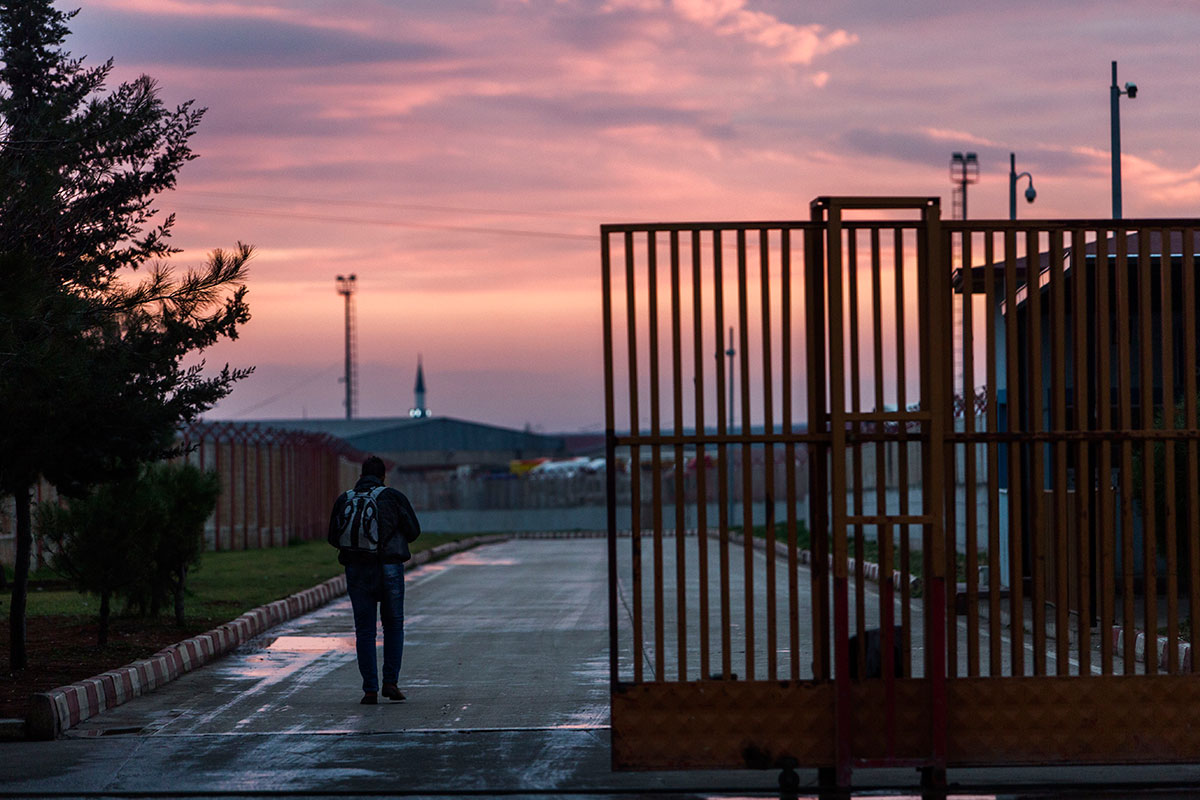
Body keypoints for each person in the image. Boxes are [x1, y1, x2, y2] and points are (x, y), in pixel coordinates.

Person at [328, 455, 421, 705]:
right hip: (389, 568)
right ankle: (390, 683)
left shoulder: (345, 499)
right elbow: (414, 531)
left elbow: (333, 537)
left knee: (365, 631)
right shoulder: (393, 497)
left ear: (360, 476)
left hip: (357, 570)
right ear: (383, 476)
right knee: (393, 626)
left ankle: (370, 689)